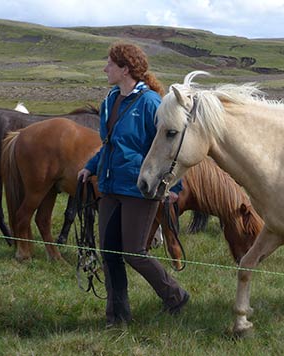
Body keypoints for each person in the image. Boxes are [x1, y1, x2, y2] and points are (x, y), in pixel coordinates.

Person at [77, 42, 189, 328]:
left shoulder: (151, 102)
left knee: (134, 252)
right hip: (111, 186)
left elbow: (170, 148)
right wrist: (90, 167)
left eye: (110, 64)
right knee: (109, 252)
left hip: (141, 188)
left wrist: (173, 188)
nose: (105, 69)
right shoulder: (111, 99)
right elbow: (111, 144)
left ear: (125, 69)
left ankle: (175, 296)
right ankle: (117, 316)